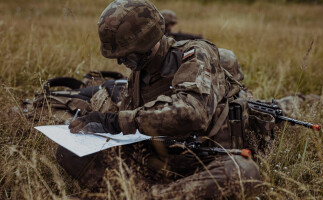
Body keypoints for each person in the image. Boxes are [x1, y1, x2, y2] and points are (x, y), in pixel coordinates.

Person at [57, 0, 263, 199]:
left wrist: (116, 122)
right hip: (156, 162)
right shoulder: (139, 71)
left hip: (205, 163)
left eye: (129, 56)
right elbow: (132, 129)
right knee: (68, 151)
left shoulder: (194, 55)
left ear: (149, 41)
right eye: (119, 58)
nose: (123, 63)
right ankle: (153, 194)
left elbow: (192, 112)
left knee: (243, 171)